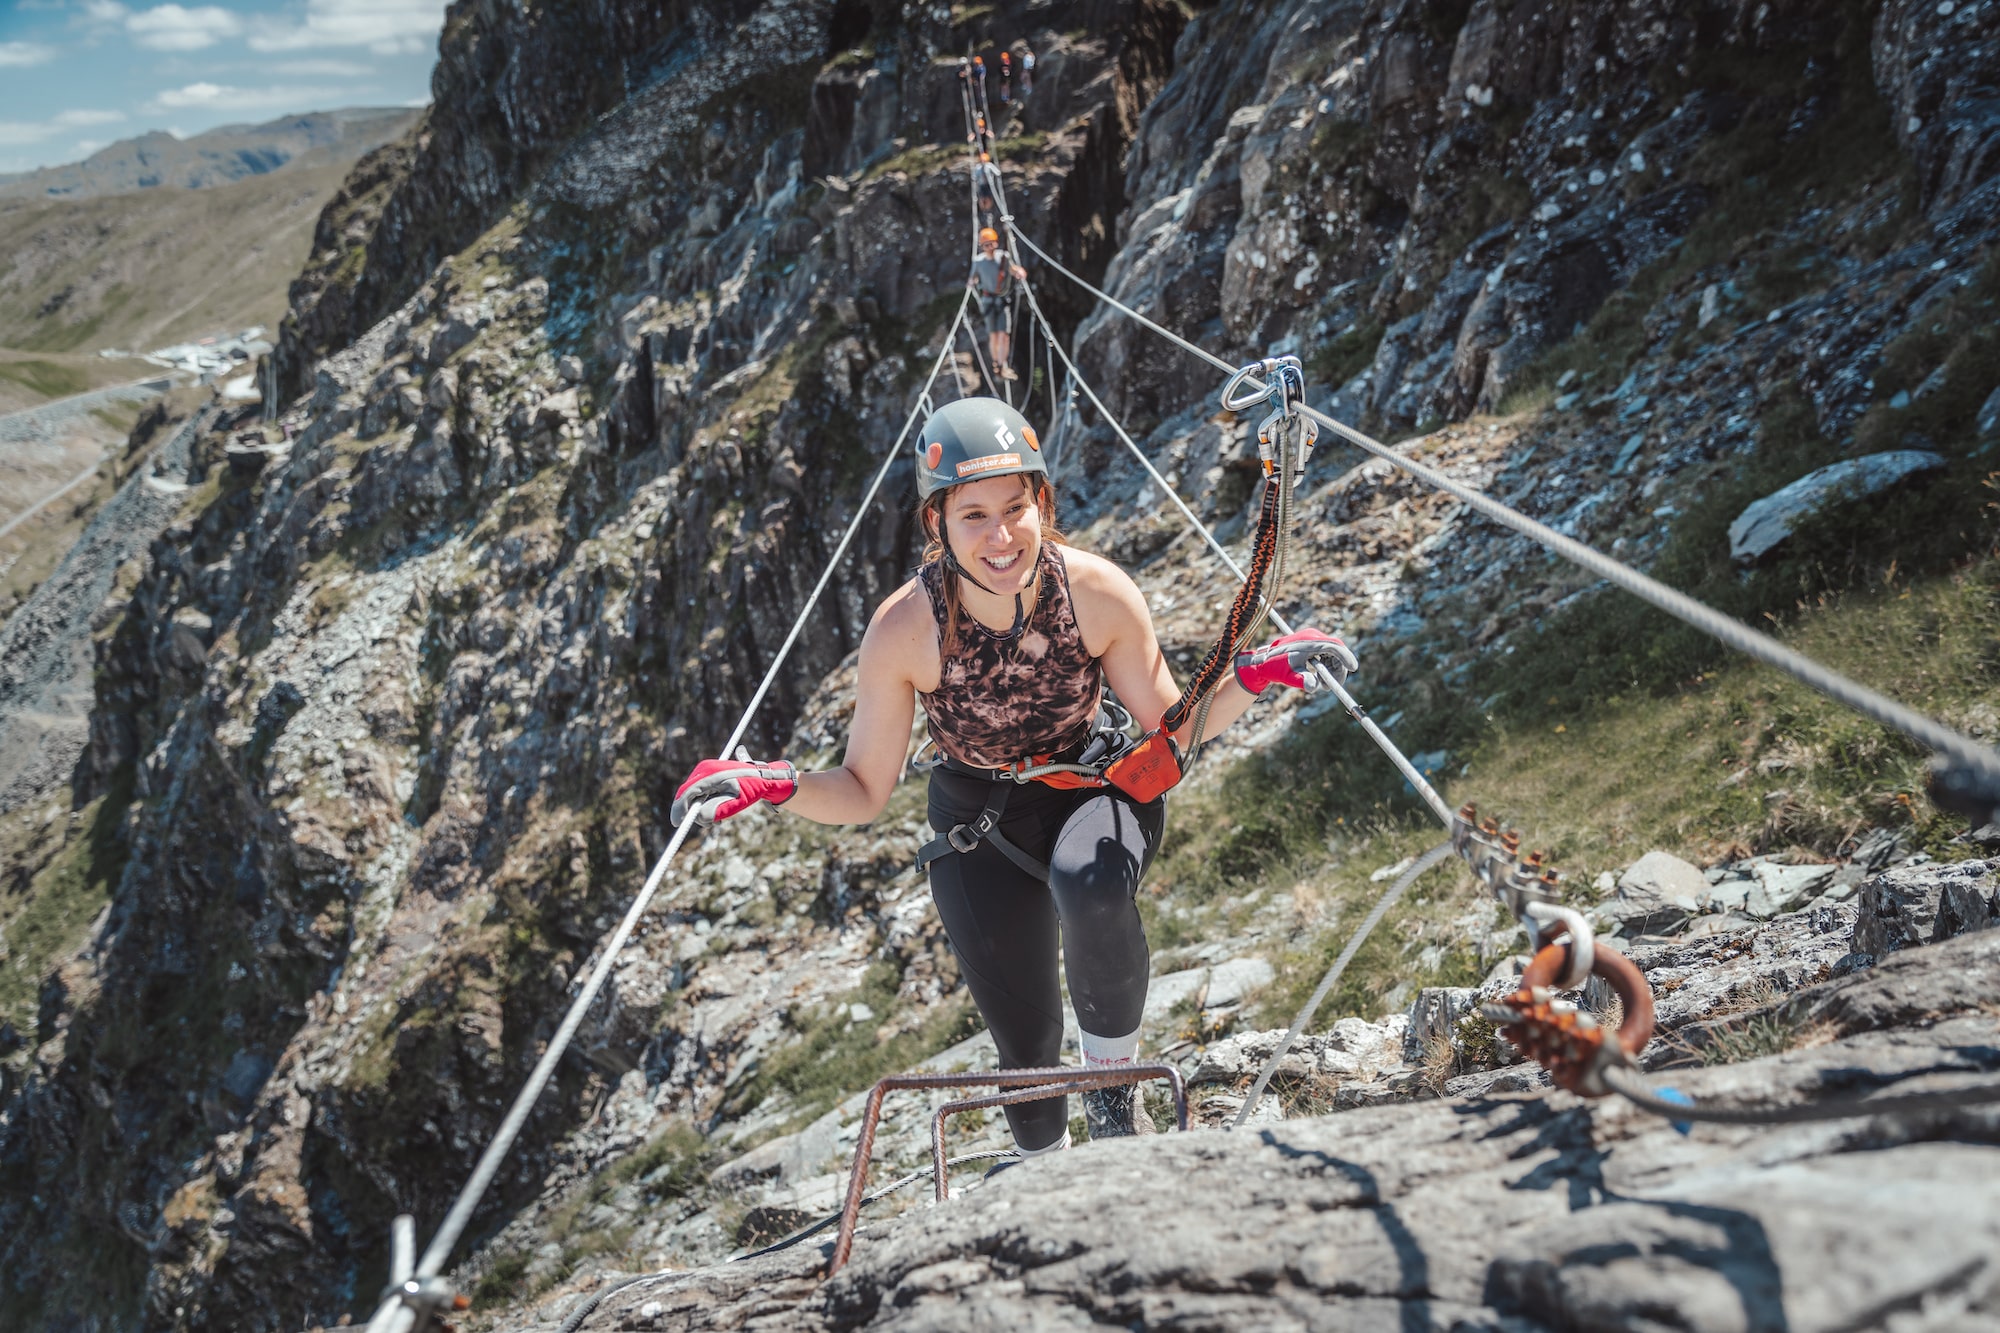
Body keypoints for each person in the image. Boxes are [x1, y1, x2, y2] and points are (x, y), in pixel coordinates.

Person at [673, 399, 1357, 1158]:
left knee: (1089, 885)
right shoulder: (906, 630)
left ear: (1044, 503)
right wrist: (779, 783)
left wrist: (1254, 674)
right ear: (937, 524)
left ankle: (1113, 1100)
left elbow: (1173, 724)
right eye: (973, 516)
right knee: (1027, 1061)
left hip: (1092, 789)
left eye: (1015, 507)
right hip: (978, 821)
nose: (1000, 537)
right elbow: (866, 790)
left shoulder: (1095, 592)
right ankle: (1044, 1175)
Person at [970, 227, 1025, 380]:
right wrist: (970, 283)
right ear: (982, 246)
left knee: (1004, 335)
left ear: (996, 243)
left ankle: (1002, 364)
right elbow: (973, 277)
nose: (990, 247)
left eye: (992, 243)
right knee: (993, 335)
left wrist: (1020, 272)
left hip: (1002, 301)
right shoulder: (978, 261)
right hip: (988, 301)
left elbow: (1013, 270)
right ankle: (997, 365)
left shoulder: (1004, 257)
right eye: (986, 245)